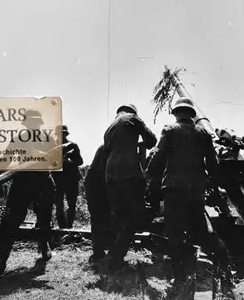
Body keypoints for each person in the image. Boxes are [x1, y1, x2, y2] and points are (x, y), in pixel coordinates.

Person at [146, 96, 232, 295]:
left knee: (175, 232)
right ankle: (225, 266)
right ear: (192, 115)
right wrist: (213, 184)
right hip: (196, 190)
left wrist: (148, 175)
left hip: (174, 190)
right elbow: (212, 162)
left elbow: (158, 157)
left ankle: (180, 276)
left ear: (176, 113)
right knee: (201, 229)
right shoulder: (202, 133)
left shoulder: (169, 130)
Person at [0, 109, 58, 275]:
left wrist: (45, 157)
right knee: (10, 220)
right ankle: (1, 260)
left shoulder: (48, 139)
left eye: (35, 123)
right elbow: (6, 158)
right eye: (30, 123)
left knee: (44, 218)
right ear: (26, 124)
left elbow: (57, 160)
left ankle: (44, 246)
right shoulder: (18, 139)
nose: (33, 126)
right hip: (22, 182)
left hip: (43, 182)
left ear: (39, 124)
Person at [103, 103, 157, 272]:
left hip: (111, 174)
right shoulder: (132, 118)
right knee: (134, 216)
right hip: (129, 173)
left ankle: (113, 255)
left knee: (118, 215)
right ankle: (116, 256)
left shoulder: (110, 128)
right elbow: (151, 141)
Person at [84, 144, 112, 263]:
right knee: (98, 218)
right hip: (96, 184)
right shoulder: (107, 148)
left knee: (105, 218)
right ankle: (98, 252)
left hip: (103, 184)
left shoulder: (113, 148)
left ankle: (103, 249)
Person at [52, 125, 84, 229]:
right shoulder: (52, 146)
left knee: (72, 205)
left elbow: (80, 161)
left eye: (64, 134)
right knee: (59, 205)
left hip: (71, 179)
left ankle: (69, 227)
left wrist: (70, 161)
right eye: (60, 134)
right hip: (58, 179)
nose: (62, 136)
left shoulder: (73, 145)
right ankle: (62, 228)